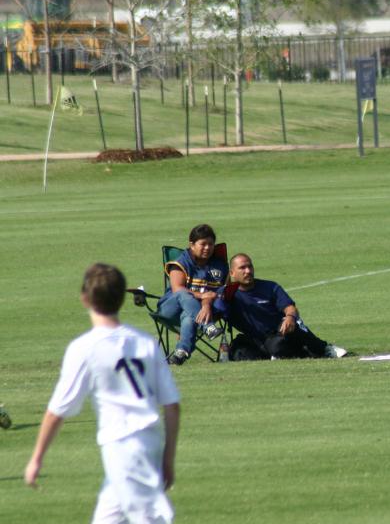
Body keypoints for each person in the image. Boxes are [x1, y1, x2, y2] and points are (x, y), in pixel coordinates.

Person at [24, 263, 180, 523]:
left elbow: (56, 411)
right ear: (122, 298)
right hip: (150, 442)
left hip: (123, 445)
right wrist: (167, 456)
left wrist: (36, 459)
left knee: (149, 518)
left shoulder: (84, 347)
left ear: (85, 299)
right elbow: (172, 406)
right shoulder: (145, 342)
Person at [216, 253, 347, 360]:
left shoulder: (270, 287)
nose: (248, 271)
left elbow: (290, 307)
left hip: (282, 331)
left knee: (285, 335)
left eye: (250, 267)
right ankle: (293, 353)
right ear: (232, 273)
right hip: (257, 339)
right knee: (246, 353)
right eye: (242, 268)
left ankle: (324, 348)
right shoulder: (227, 294)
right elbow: (218, 309)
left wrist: (290, 317)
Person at [158, 223, 229, 365]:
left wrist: (206, 304)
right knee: (183, 295)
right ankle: (208, 326)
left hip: (200, 312)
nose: (207, 248)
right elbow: (177, 289)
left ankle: (180, 353)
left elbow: (215, 294)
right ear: (192, 244)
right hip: (170, 310)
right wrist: (203, 297)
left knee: (189, 316)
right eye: (203, 244)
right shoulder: (181, 262)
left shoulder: (220, 266)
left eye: (211, 244)